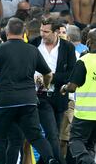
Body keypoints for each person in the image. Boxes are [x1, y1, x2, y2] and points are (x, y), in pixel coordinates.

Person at [0, 17, 59, 164]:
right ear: (24, 32)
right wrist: (44, 87)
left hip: (5, 102)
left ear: (6, 31)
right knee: (35, 136)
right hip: (28, 101)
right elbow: (48, 74)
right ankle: (51, 159)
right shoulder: (32, 50)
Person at [60, 28, 96, 164]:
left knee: (75, 141)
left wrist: (64, 88)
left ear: (89, 41)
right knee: (89, 145)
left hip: (86, 112)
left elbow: (72, 87)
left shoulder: (85, 60)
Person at [29, 17, 76, 163]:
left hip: (59, 96)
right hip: (40, 97)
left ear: (56, 32)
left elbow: (71, 74)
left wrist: (51, 77)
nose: (42, 34)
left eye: (46, 31)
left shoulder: (68, 47)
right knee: (52, 133)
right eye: (41, 30)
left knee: (54, 135)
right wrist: (36, 78)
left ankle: (46, 161)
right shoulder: (34, 44)